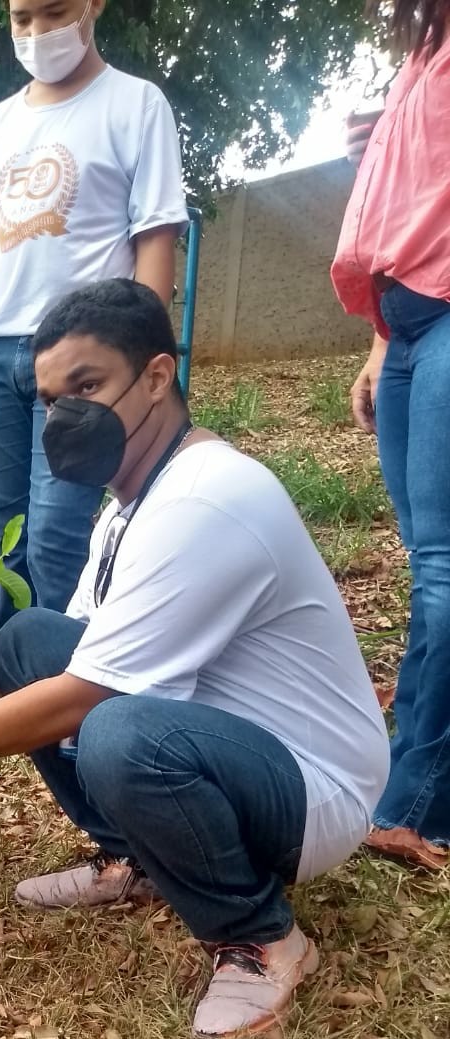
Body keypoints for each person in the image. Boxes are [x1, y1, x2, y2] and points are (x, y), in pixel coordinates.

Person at [0, 280, 390, 1039]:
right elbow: (70, 657)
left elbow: (82, 696)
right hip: (231, 740)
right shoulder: (129, 505)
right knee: (28, 637)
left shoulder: (205, 498)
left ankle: (261, 938)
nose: (67, 415)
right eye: (52, 396)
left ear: (158, 377)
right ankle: (140, 861)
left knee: (117, 735)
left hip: (312, 789)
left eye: (89, 385)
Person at [0, 0, 188, 629]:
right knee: (5, 547)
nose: (38, 32)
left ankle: (63, 709)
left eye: (55, 12)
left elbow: (156, 242)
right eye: (21, 18)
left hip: (80, 369)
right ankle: (15, 707)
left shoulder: (136, 106)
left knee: (54, 539)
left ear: (94, 5)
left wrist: (146, 356)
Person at [332, 0, 450, 872]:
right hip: (407, 321)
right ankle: (407, 770)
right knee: (426, 561)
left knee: (445, 567)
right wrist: (380, 343)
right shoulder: (422, 51)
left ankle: (420, 804)